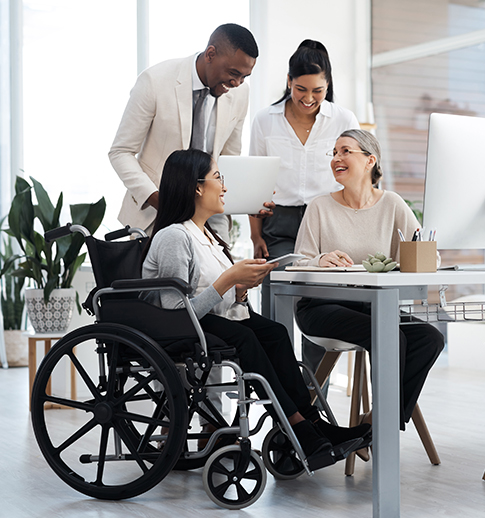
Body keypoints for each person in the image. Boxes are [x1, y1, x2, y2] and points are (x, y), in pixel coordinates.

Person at [141, 148, 371, 457]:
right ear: (197, 187)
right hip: (182, 327)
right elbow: (175, 312)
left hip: (209, 319)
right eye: (218, 177)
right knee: (247, 338)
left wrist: (240, 288)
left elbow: (216, 294)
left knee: (274, 332)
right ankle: (298, 427)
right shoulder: (174, 237)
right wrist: (228, 280)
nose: (224, 186)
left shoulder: (208, 236)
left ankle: (313, 422)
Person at [294, 129, 445, 430]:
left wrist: (403, 262)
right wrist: (319, 260)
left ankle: (376, 422)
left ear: (369, 160)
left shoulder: (392, 204)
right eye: (334, 153)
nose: (336, 158)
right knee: (388, 333)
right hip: (320, 306)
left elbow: (430, 258)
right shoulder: (320, 207)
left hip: (370, 307)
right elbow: (299, 262)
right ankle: (382, 427)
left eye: (345, 151)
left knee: (430, 338)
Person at [249, 39, 359, 377]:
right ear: (288, 81)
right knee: (277, 308)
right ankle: (281, 398)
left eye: (318, 90)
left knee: (319, 310)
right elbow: (254, 179)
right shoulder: (265, 120)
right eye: (301, 89)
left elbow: (354, 174)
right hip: (278, 224)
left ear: (328, 85)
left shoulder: (342, 118)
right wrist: (255, 236)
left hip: (326, 220)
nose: (309, 98)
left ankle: (314, 401)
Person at [109, 23, 263, 242]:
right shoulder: (155, 81)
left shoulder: (240, 94)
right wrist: (159, 200)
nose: (237, 83)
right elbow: (120, 152)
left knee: (219, 275)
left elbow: (228, 159)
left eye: (244, 77)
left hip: (210, 219)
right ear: (211, 54)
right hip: (156, 213)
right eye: (233, 73)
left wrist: (249, 200)